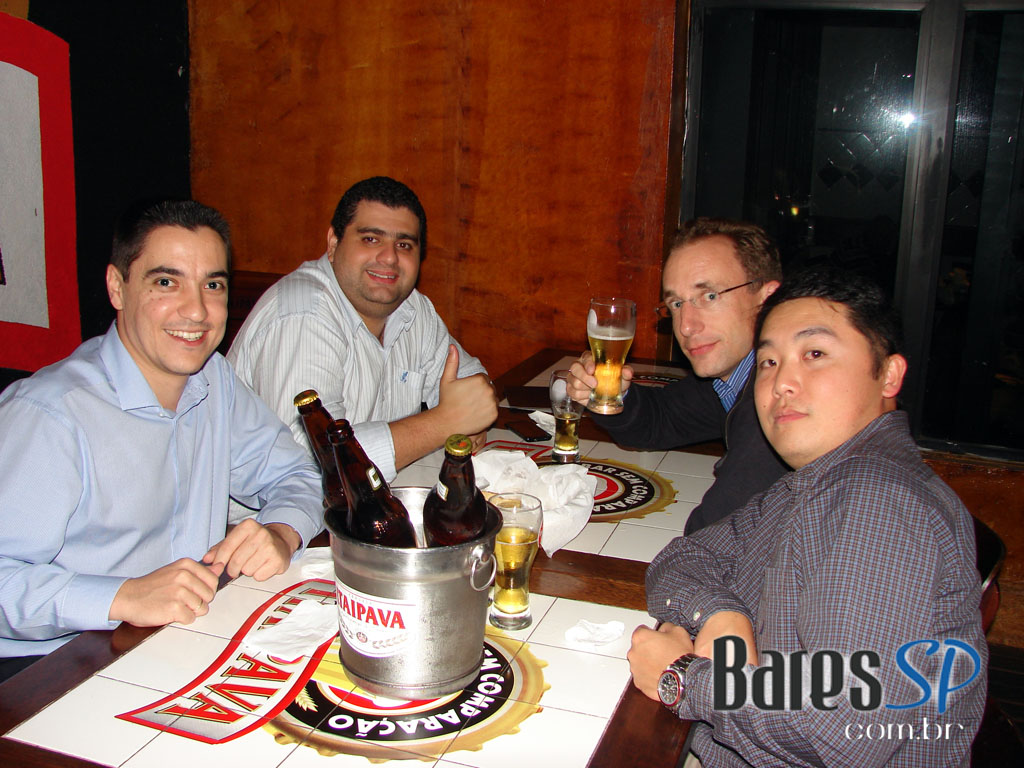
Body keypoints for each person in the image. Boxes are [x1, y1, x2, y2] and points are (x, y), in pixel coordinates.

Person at [627, 269, 986, 767]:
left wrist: (682, 677)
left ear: (889, 375)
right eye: (769, 362)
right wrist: (720, 614)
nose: (782, 383)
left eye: (814, 354)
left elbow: (842, 730)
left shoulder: (877, 500)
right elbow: (684, 556)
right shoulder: (814, 481)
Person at [0, 200, 323, 681]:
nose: (196, 311)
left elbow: (299, 473)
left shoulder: (214, 380)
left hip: (178, 639)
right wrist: (122, 595)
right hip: (51, 666)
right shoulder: (50, 414)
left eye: (212, 285)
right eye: (167, 282)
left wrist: (280, 531)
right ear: (117, 287)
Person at [228, 176, 497, 482]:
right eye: (371, 239)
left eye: (404, 244)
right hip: (274, 511)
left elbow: (471, 383)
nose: (389, 257)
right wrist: (445, 422)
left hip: (376, 499)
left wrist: (470, 415)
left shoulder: (412, 308)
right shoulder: (303, 314)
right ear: (333, 244)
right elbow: (310, 464)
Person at [567, 218, 789, 533]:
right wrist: (613, 392)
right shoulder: (733, 380)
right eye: (676, 304)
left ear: (767, 299)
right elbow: (661, 420)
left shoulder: (781, 401)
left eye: (709, 296)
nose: (685, 325)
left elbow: (714, 537)